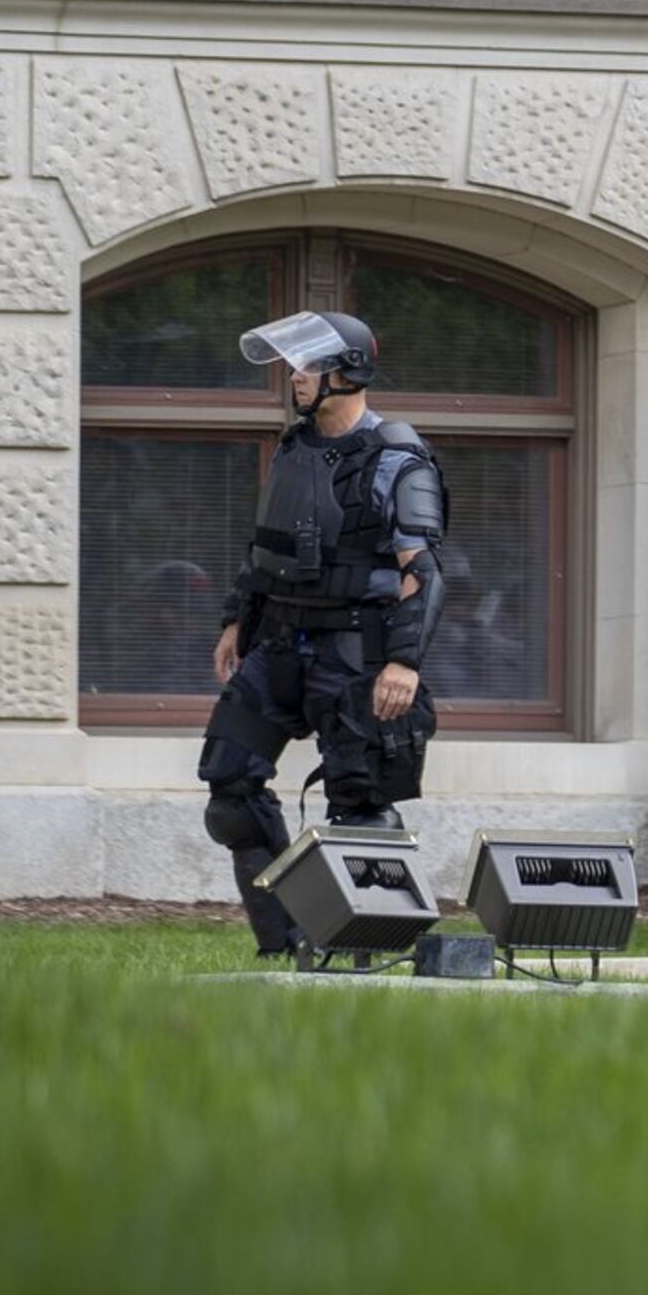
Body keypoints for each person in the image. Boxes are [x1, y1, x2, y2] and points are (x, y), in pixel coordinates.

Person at [196, 312, 450, 957]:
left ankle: (362, 950)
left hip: (355, 652)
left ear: (351, 371)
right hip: (280, 645)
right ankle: (286, 942)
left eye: (309, 366)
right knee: (230, 786)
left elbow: (421, 572)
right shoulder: (295, 445)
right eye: (295, 365)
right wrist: (236, 619)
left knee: (360, 804)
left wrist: (403, 663)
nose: (295, 377)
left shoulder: (398, 458)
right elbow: (269, 543)